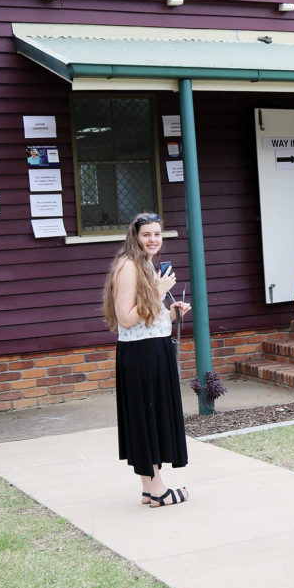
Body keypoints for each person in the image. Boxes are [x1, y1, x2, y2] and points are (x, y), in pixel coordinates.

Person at [101, 212, 192, 508]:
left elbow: (146, 316)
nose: (153, 240)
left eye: (157, 234)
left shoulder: (144, 264)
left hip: (152, 348)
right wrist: (158, 291)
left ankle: (149, 489)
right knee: (146, 418)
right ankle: (159, 490)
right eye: (147, 235)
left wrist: (170, 313)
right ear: (135, 237)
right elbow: (126, 318)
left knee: (150, 417)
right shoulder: (128, 266)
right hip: (141, 354)